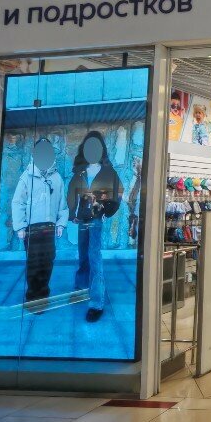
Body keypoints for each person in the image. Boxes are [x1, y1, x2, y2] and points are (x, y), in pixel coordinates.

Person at [67, 132, 122, 322]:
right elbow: (71, 192)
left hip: (96, 220)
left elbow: (118, 194)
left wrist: (106, 211)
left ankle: (96, 303)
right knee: (83, 255)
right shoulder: (80, 171)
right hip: (82, 220)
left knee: (94, 257)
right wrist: (72, 213)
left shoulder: (108, 172)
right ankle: (81, 289)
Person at [12, 138, 68, 303]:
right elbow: (18, 202)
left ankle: (43, 295)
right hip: (32, 228)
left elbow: (62, 203)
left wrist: (61, 223)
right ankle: (32, 296)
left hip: (49, 227)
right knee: (34, 263)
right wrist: (20, 227)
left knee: (47, 261)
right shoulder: (26, 177)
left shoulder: (56, 178)